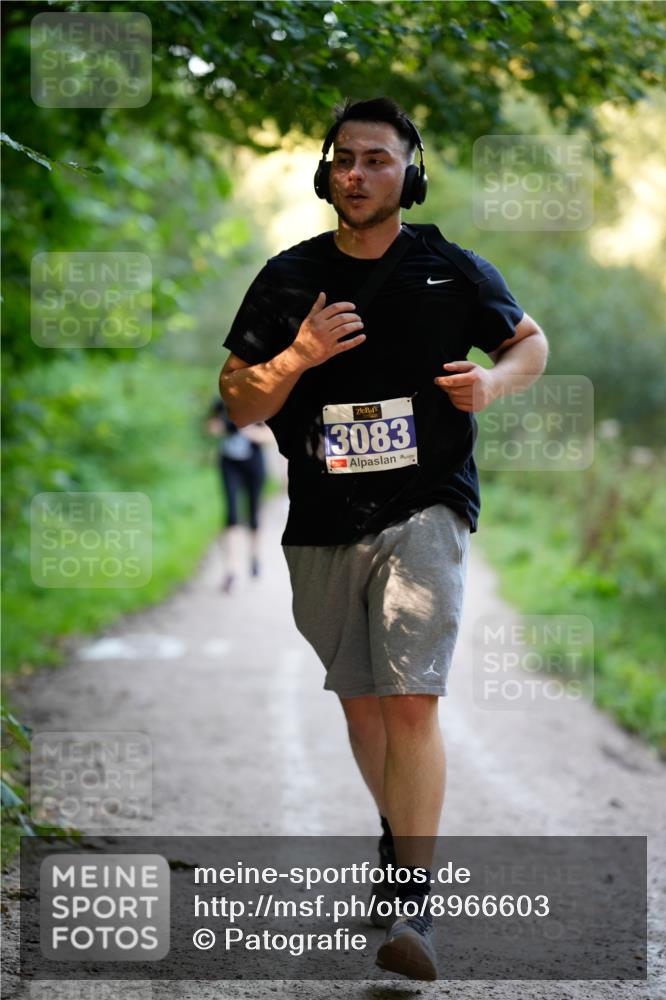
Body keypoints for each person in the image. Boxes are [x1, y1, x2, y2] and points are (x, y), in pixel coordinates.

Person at [219, 97, 548, 980]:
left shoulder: (448, 268)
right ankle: (399, 836)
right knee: (363, 706)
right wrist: (297, 358)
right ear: (325, 172)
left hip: (426, 506)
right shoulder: (289, 278)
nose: (356, 173)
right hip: (323, 521)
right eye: (343, 159)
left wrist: (495, 386)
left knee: (411, 700)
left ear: (411, 173)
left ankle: (411, 900)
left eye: (376, 158)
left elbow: (530, 342)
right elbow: (241, 397)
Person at [206, 398, 269, 592]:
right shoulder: (221, 403)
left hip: (253, 463)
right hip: (229, 464)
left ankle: (254, 555)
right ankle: (231, 570)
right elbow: (211, 428)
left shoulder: (259, 401)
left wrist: (247, 430)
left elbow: (270, 435)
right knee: (232, 513)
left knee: (253, 513)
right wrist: (225, 426)